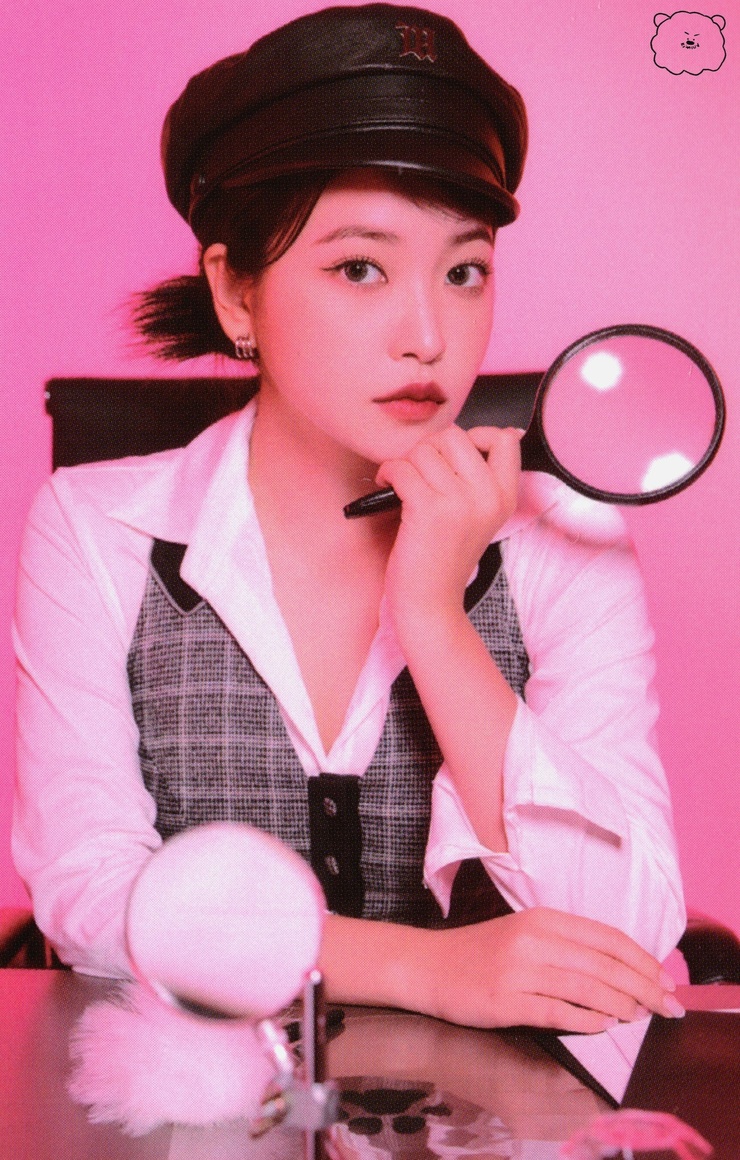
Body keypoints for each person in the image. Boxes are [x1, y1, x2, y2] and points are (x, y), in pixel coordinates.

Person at [13, 3, 686, 1033]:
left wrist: (433, 615)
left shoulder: (563, 537)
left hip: (495, 1112)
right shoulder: (98, 529)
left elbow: (620, 938)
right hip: (192, 1103)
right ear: (235, 293)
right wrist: (422, 967)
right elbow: (91, 897)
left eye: (463, 271)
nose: (427, 335)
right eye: (360, 267)